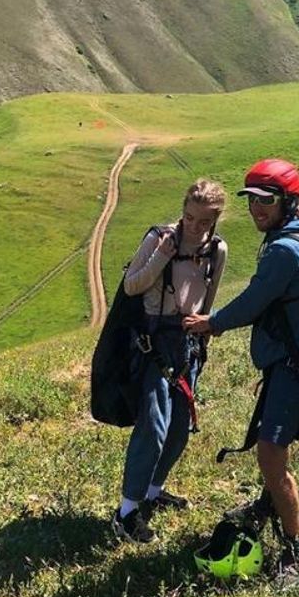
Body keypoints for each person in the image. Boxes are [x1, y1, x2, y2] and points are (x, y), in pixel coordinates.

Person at [184, 158, 299, 586]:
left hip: (291, 369)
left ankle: (297, 550)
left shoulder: (284, 250)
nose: (257, 210)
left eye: (268, 201)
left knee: (270, 454)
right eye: (252, 202)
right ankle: (269, 505)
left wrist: (211, 322)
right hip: (292, 364)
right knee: (273, 451)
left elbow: (255, 300)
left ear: (290, 201)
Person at [112, 179, 228, 544]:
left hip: (188, 345)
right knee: (154, 425)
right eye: (189, 217)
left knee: (179, 427)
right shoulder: (160, 238)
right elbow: (132, 285)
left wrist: (205, 330)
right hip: (154, 344)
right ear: (182, 210)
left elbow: (208, 297)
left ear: (215, 220)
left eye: (203, 222)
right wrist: (163, 253)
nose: (194, 227)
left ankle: (151, 491)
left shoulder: (217, 250)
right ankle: (126, 512)